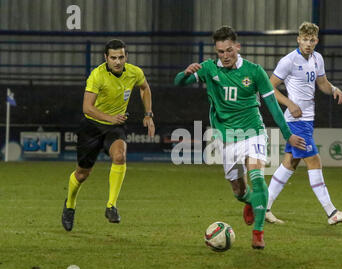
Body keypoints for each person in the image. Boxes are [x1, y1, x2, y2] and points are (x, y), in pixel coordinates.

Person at [174, 26, 306, 249]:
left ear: (237, 47)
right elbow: (179, 83)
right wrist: (185, 73)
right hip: (226, 138)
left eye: (229, 51)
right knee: (239, 191)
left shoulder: (254, 72)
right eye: (220, 52)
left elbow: (272, 106)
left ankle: (258, 233)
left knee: (256, 176)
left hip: (252, 132)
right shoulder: (208, 68)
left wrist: (288, 135)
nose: (225, 56)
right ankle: (251, 203)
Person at [61, 39, 155, 231]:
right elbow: (87, 108)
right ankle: (70, 205)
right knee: (81, 175)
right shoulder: (97, 75)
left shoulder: (134, 72)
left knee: (120, 156)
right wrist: (110, 117)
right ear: (106, 58)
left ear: (126, 56)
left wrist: (148, 114)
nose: (118, 61)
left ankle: (111, 206)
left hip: (115, 127)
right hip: (92, 128)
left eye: (121, 57)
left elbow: (144, 88)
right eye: (113, 58)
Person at [265, 22, 342, 225]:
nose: (308, 43)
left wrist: (334, 89)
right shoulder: (288, 61)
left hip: (307, 119)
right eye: (304, 39)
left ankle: (264, 207)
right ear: (298, 39)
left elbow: (322, 83)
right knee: (314, 161)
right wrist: (289, 103)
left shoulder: (317, 58)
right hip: (296, 120)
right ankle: (332, 213)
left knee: (290, 163)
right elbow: (269, 88)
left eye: (312, 40)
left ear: (316, 41)